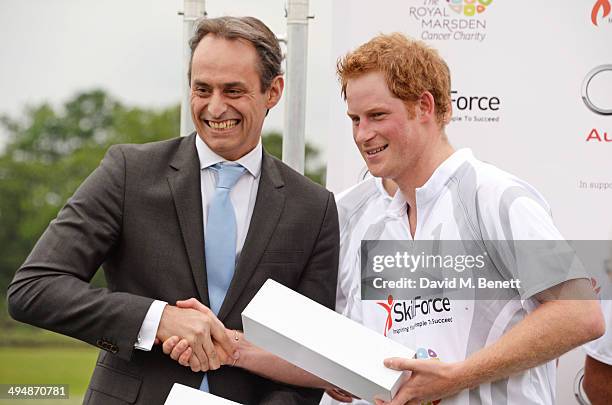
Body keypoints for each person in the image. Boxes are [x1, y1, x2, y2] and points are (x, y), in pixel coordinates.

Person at [7, 16, 339, 405]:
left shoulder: (314, 208)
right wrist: (157, 319)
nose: (215, 107)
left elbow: (310, 359)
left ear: (274, 91)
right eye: (202, 89)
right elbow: (33, 288)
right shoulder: (128, 172)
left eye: (233, 90)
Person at [325, 32, 605, 405]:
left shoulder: (494, 196)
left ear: (424, 106)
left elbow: (581, 314)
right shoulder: (360, 214)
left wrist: (456, 377)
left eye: (377, 115)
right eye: (355, 119)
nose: (362, 134)